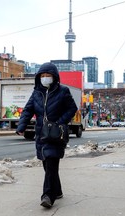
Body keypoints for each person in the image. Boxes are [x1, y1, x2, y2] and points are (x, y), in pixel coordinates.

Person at [16, 62, 77, 208]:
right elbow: (27, 110)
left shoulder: (63, 91)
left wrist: (59, 123)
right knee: (47, 165)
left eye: (47, 75)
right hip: (41, 134)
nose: (45, 78)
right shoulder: (36, 93)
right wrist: (21, 126)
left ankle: (48, 196)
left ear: (54, 77)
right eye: (42, 76)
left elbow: (72, 109)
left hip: (56, 134)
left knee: (51, 162)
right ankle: (58, 191)